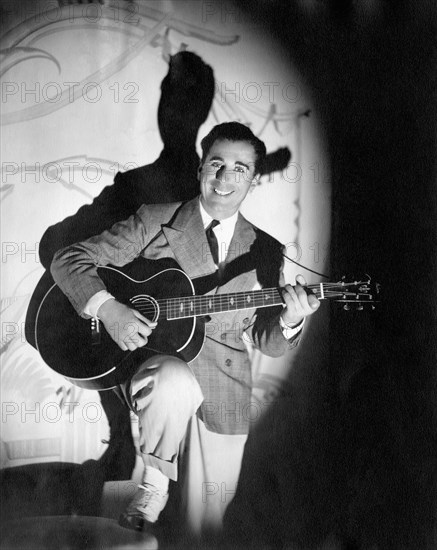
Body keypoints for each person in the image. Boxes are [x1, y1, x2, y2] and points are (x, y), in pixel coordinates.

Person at [50, 121, 320, 533]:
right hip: (153, 362)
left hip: (224, 382)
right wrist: (109, 309)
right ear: (199, 169)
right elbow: (67, 260)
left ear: (252, 181)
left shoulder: (265, 248)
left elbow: (266, 337)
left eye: (240, 169)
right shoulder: (154, 220)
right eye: (216, 163)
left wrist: (291, 317)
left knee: (206, 522)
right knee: (172, 383)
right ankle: (153, 487)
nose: (225, 178)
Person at [38, 51, 215, 481]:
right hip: (118, 337)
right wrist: (107, 300)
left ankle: (160, 479)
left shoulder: (214, 196)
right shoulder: (133, 186)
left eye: (185, 99)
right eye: (167, 95)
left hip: (187, 349)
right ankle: (125, 454)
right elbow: (53, 246)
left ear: (202, 109)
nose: (172, 110)